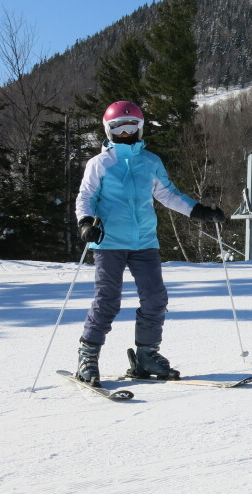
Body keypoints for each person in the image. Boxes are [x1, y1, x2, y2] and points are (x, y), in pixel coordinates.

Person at [73, 100, 225, 385]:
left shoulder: (150, 162)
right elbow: (86, 197)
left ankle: (146, 355)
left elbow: (167, 194)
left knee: (155, 298)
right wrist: (85, 222)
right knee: (107, 301)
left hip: (144, 241)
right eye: (119, 127)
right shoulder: (100, 164)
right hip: (108, 242)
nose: (126, 132)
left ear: (141, 129)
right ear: (108, 130)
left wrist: (199, 211)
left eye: (132, 126)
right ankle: (87, 356)